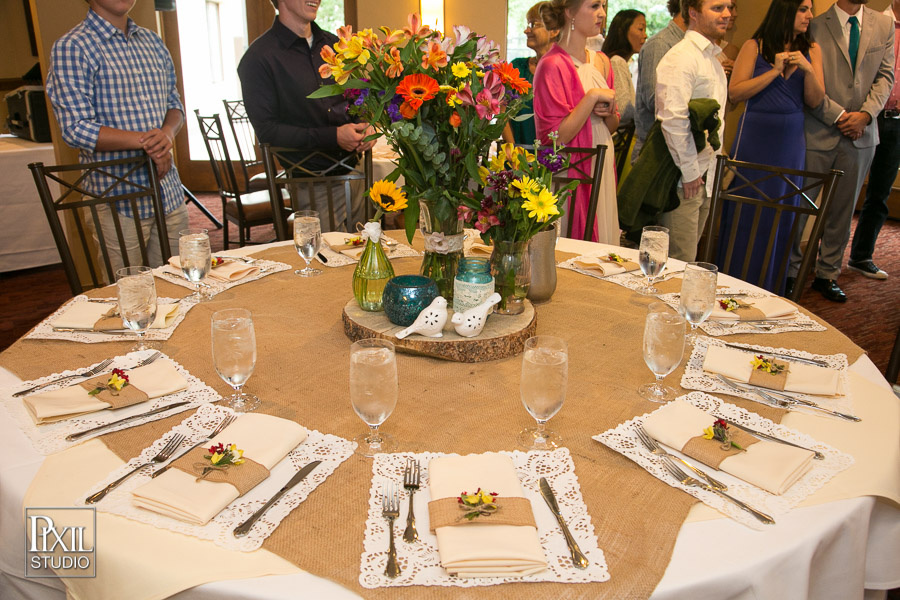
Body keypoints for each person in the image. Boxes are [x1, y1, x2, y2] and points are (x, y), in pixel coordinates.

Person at [46, 0, 189, 271]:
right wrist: (148, 142)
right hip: (117, 196)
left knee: (182, 281)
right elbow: (76, 127)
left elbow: (175, 105)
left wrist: (167, 135)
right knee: (131, 291)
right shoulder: (73, 46)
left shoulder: (152, 42)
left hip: (167, 190)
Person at [788, 0, 895, 302]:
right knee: (801, 207)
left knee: (843, 212)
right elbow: (805, 81)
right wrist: (837, 116)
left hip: (862, 134)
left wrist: (864, 116)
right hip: (817, 129)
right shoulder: (815, 23)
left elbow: (886, 77)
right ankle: (792, 271)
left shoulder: (884, 25)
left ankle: (827, 273)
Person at [717, 0, 825, 294]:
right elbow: (736, 92)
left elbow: (816, 100)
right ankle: (732, 283)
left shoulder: (812, 49)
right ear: (786, 10)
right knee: (746, 211)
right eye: (803, 9)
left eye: (810, 9)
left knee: (782, 211)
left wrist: (809, 70)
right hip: (754, 138)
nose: (809, 16)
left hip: (790, 142)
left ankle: (769, 287)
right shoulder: (755, 45)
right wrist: (774, 71)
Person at [237, 0, 374, 232]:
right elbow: (268, 132)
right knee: (326, 260)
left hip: (356, 174)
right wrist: (334, 137)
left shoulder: (337, 45)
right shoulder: (258, 58)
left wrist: (365, 124)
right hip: (310, 182)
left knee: (364, 253)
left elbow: (356, 99)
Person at [534, 0, 620, 243]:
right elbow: (555, 137)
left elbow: (611, 127)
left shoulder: (602, 61)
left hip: (602, 156)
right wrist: (591, 98)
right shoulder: (551, 65)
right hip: (570, 168)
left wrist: (610, 113)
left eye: (603, 5)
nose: (601, 13)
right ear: (569, 12)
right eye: (593, 6)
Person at [655, 0, 730, 262]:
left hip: (703, 176)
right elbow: (673, 120)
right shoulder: (681, 57)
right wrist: (689, 174)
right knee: (678, 262)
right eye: (718, 8)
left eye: (729, 7)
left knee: (688, 262)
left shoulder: (712, 59)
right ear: (694, 13)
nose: (727, 14)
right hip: (683, 179)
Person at [847, 0, 900, 281]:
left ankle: (861, 256)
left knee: (880, 194)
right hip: (866, 116)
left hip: (897, 120)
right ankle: (821, 260)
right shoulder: (874, 23)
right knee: (844, 191)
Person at [633, 0, 687, 161]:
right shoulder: (661, 44)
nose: (727, 15)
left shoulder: (690, 46)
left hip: (677, 150)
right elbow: (653, 99)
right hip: (655, 152)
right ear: (690, 9)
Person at [503, 2, 560, 145]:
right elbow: (502, 114)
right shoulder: (516, 67)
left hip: (553, 159)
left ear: (554, 31)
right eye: (528, 25)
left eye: (534, 24)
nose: (527, 30)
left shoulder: (563, 70)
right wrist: (514, 151)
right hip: (516, 158)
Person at [602, 9, 647, 126]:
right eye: (640, 29)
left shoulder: (621, 62)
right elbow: (622, 110)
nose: (645, 35)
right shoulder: (617, 62)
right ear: (622, 31)